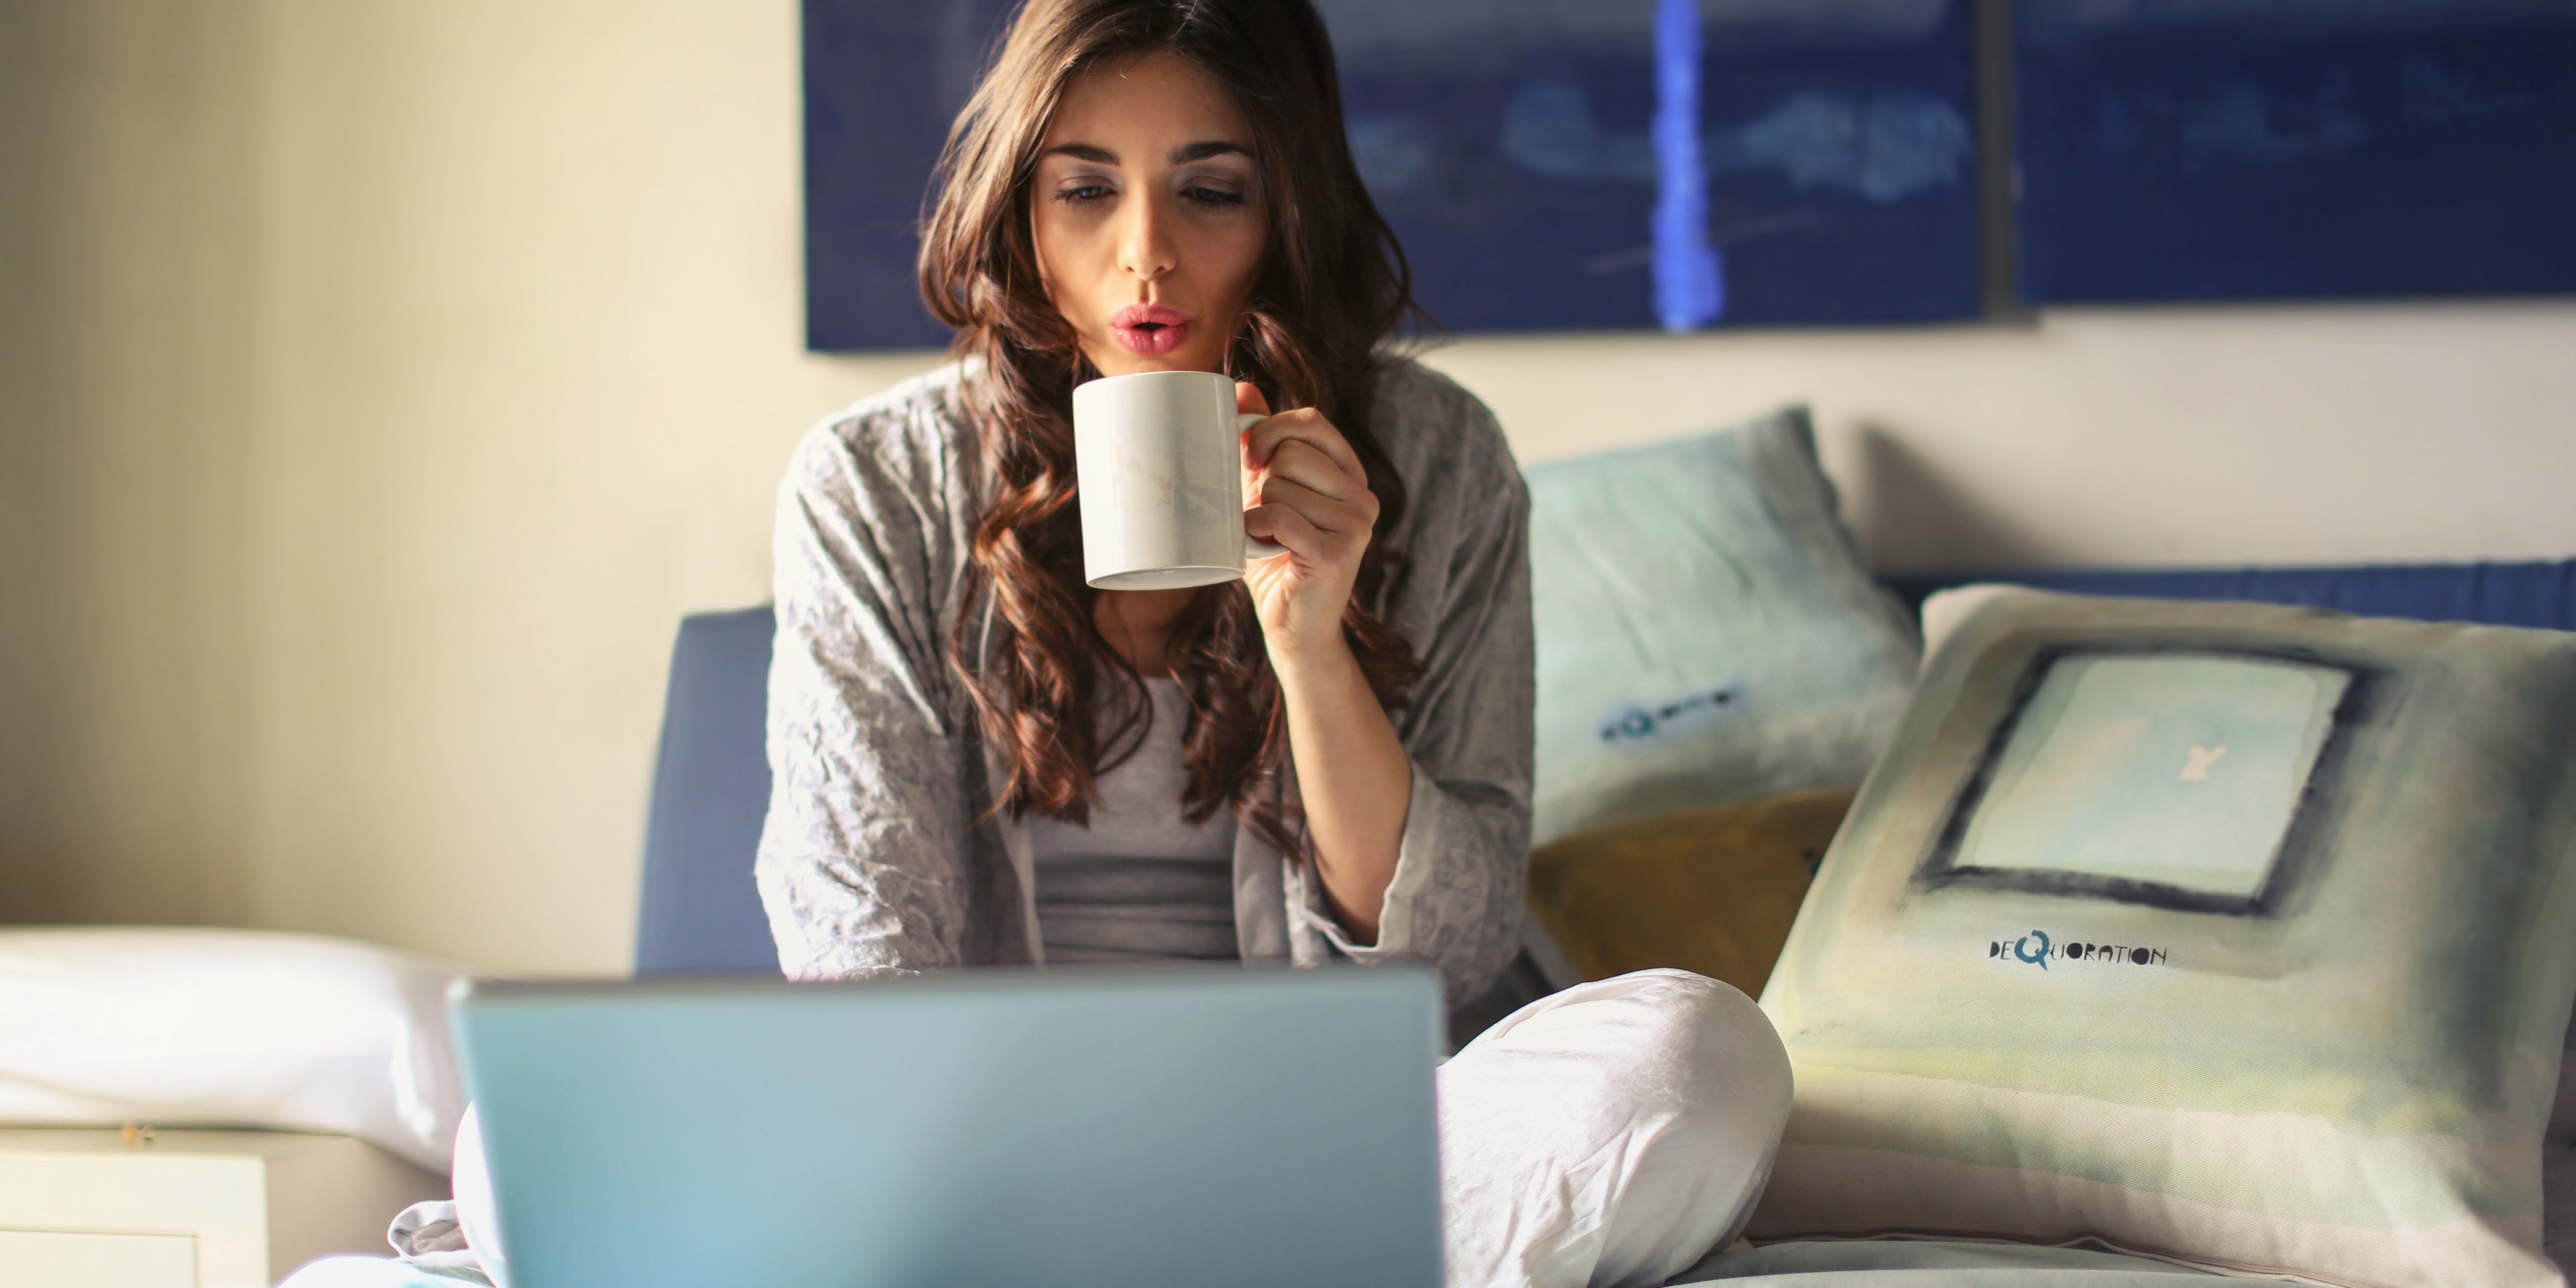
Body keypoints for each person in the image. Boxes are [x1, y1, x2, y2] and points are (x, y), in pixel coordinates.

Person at [414, 3, 1790, 1287]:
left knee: (1690, 1058)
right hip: (971, 1134)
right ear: (1019, 210)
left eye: (1210, 189)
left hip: (1333, 1137)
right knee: (513, 1151)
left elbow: (1453, 947)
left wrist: (1312, 644)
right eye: (1085, 190)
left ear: (1285, 207)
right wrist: (954, 1144)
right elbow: (860, 944)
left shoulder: (1438, 463)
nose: (1147, 255)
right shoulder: (876, 482)